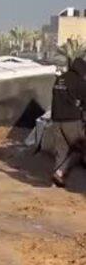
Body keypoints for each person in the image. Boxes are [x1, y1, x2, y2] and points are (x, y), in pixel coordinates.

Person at [51, 57, 86, 187]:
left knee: (61, 151)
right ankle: (60, 173)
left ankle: (55, 184)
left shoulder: (60, 79)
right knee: (80, 148)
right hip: (71, 120)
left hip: (56, 119)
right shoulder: (79, 81)